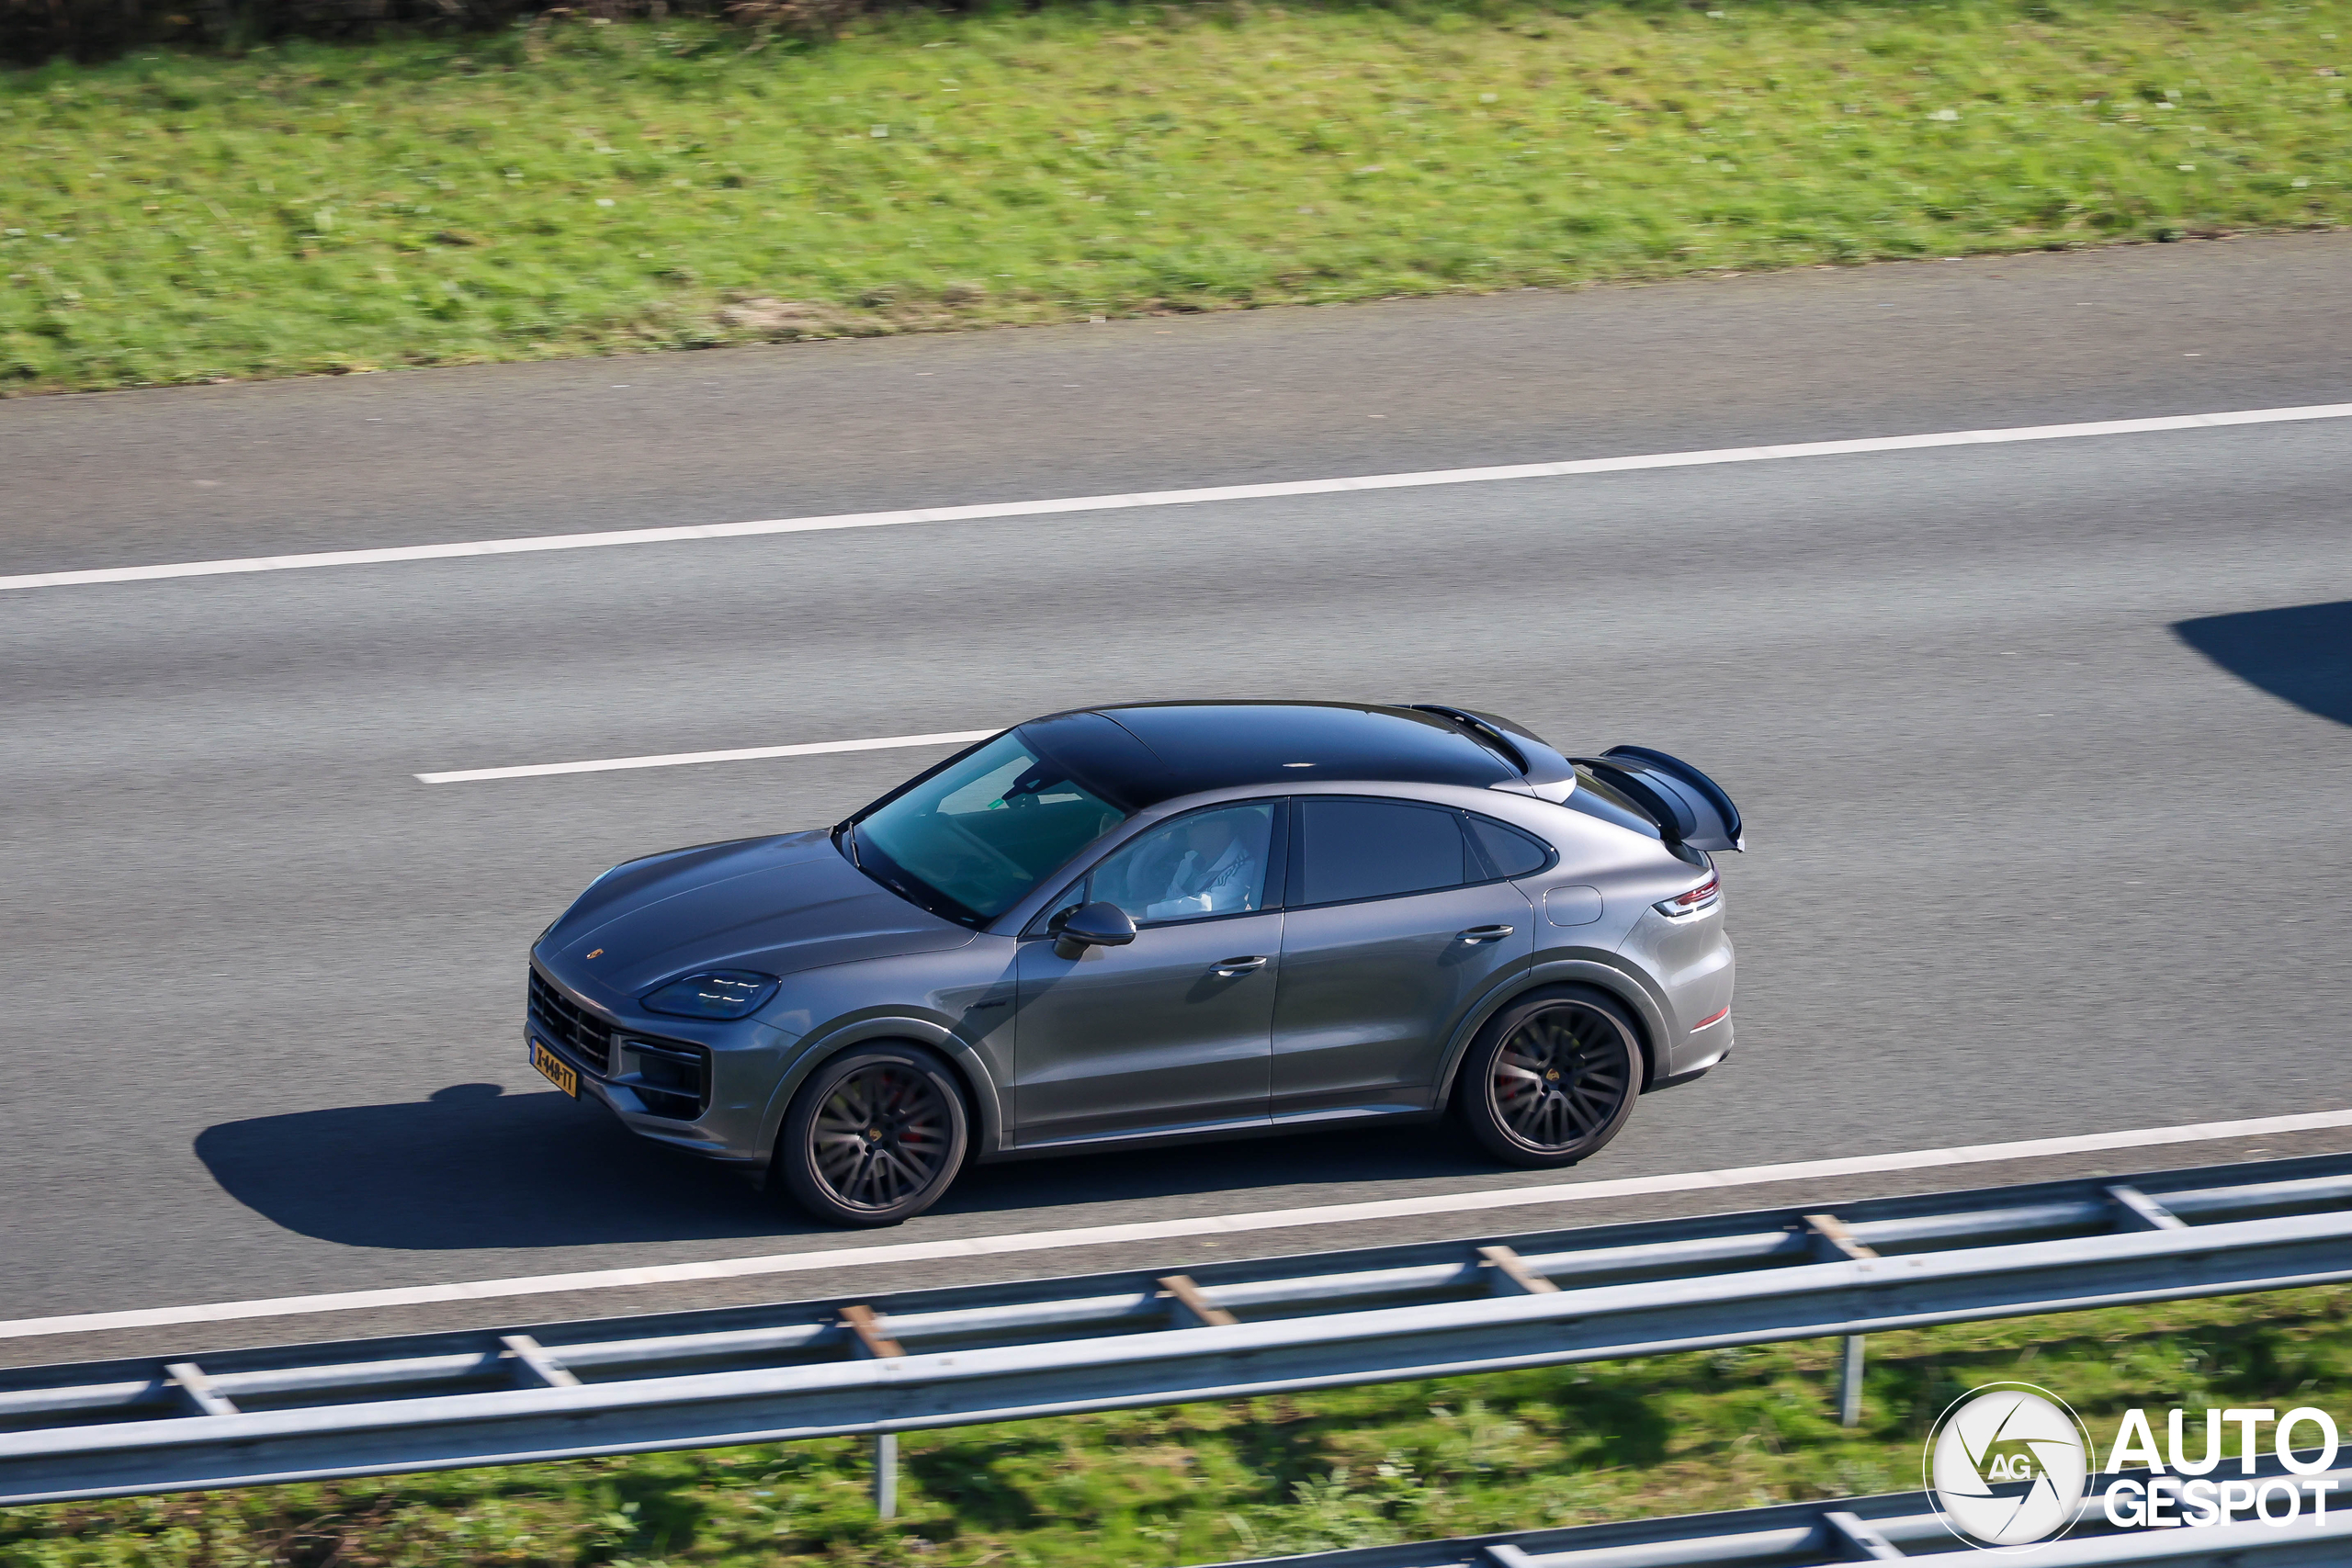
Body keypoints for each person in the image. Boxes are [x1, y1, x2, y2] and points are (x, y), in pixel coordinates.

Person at [1141, 810, 1262, 922]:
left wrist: (1143, 914)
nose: (1187, 829)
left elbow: (1206, 905)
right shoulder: (1190, 859)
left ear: (1220, 828)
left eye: (1193, 823)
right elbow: (1171, 899)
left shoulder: (1245, 868)